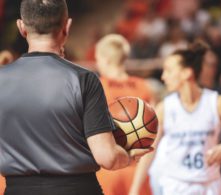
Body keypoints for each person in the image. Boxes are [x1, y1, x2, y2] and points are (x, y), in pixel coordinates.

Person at [0, 1, 151, 195]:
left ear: (21, 27)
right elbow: (107, 157)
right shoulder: (84, 80)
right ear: (67, 26)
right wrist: (128, 157)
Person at [129, 41, 221, 195]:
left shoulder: (218, 103)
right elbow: (150, 151)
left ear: (187, 73)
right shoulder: (164, 108)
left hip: (210, 185)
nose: (164, 77)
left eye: (169, 71)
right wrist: (135, 189)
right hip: (176, 185)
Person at [95, 34, 157, 195]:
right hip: (137, 171)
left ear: (106, 59)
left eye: (98, 59)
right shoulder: (145, 87)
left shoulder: (96, 88)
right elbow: (155, 139)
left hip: (107, 171)